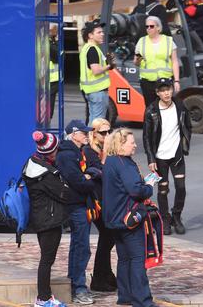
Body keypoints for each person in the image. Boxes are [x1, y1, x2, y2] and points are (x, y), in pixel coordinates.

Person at [102, 128, 157, 307]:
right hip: (130, 220)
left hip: (115, 219)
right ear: (120, 144)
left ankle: (125, 296)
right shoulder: (124, 164)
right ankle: (143, 301)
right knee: (137, 260)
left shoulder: (110, 161)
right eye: (131, 142)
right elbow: (136, 190)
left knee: (124, 259)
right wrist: (148, 186)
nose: (135, 145)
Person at [23, 131, 69, 307]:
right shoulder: (45, 173)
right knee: (47, 260)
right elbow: (64, 193)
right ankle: (43, 299)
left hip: (41, 217)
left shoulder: (32, 163)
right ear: (50, 152)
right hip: (48, 221)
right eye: (56, 150)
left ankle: (45, 297)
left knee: (46, 259)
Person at [143, 78, 192, 235]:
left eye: (168, 89)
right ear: (157, 93)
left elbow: (187, 125)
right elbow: (146, 137)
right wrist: (151, 159)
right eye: (163, 90)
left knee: (181, 187)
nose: (166, 93)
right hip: (160, 157)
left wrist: (184, 143)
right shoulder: (151, 111)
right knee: (163, 190)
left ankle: (176, 217)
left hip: (176, 154)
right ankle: (165, 218)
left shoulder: (180, 105)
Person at [56, 120, 96, 305]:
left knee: (78, 245)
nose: (87, 135)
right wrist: (90, 181)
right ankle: (79, 287)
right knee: (82, 247)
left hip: (81, 204)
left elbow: (83, 175)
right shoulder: (67, 155)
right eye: (84, 133)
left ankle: (73, 282)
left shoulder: (76, 152)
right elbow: (78, 181)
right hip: (75, 205)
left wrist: (88, 176)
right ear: (74, 135)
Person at [82, 118, 117, 292]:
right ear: (94, 133)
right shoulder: (89, 150)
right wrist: (107, 154)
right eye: (103, 132)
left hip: (108, 199)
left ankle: (105, 275)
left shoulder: (106, 149)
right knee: (107, 235)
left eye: (109, 131)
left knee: (108, 237)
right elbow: (103, 172)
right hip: (97, 201)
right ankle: (100, 278)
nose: (107, 135)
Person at [134, 16, 181, 108]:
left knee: (166, 107)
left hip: (165, 81)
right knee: (151, 108)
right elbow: (136, 62)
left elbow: (175, 62)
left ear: (158, 28)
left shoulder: (168, 41)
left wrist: (176, 81)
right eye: (146, 26)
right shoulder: (141, 41)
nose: (148, 28)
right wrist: (137, 60)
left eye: (151, 26)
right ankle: (152, 123)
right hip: (147, 82)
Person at [79, 20, 114, 126]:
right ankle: (92, 142)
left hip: (91, 91)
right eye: (99, 32)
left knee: (93, 120)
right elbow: (96, 70)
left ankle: (89, 141)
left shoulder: (86, 48)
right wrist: (109, 66)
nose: (102, 34)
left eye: (102, 32)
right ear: (90, 35)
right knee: (98, 123)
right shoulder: (93, 50)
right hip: (97, 92)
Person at [49, 25, 60, 119]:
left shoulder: (52, 42)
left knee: (48, 109)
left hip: (53, 80)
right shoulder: (49, 43)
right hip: (50, 80)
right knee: (47, 109)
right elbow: (58, 56)